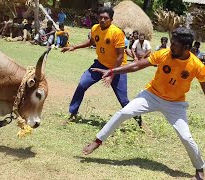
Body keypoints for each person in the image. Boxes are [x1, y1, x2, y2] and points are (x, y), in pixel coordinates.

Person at [83, 27, 205, 180]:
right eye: (171, 43)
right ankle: (98, 141)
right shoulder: (163, 54)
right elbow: (137, 65)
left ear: (186, 48)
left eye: (174, 44)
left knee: (186, 137)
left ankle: (200, 169)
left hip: (175, 104)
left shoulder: (197, 65)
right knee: (124, 112)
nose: (170, 47)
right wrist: (113, 71)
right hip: (151, 95)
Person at [61, 7, 143, 127]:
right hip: (99, 65)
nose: (103, 20)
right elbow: (91, 41)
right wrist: (74, 47)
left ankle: (140, 123)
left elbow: (120, 56)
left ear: (111, 19)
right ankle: (73, 114)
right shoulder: (95, 28)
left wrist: (111, 74)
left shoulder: (116, 33)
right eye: (101, 17)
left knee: (123, 100)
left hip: (118, 68)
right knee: (82, 84)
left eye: (106, 18)